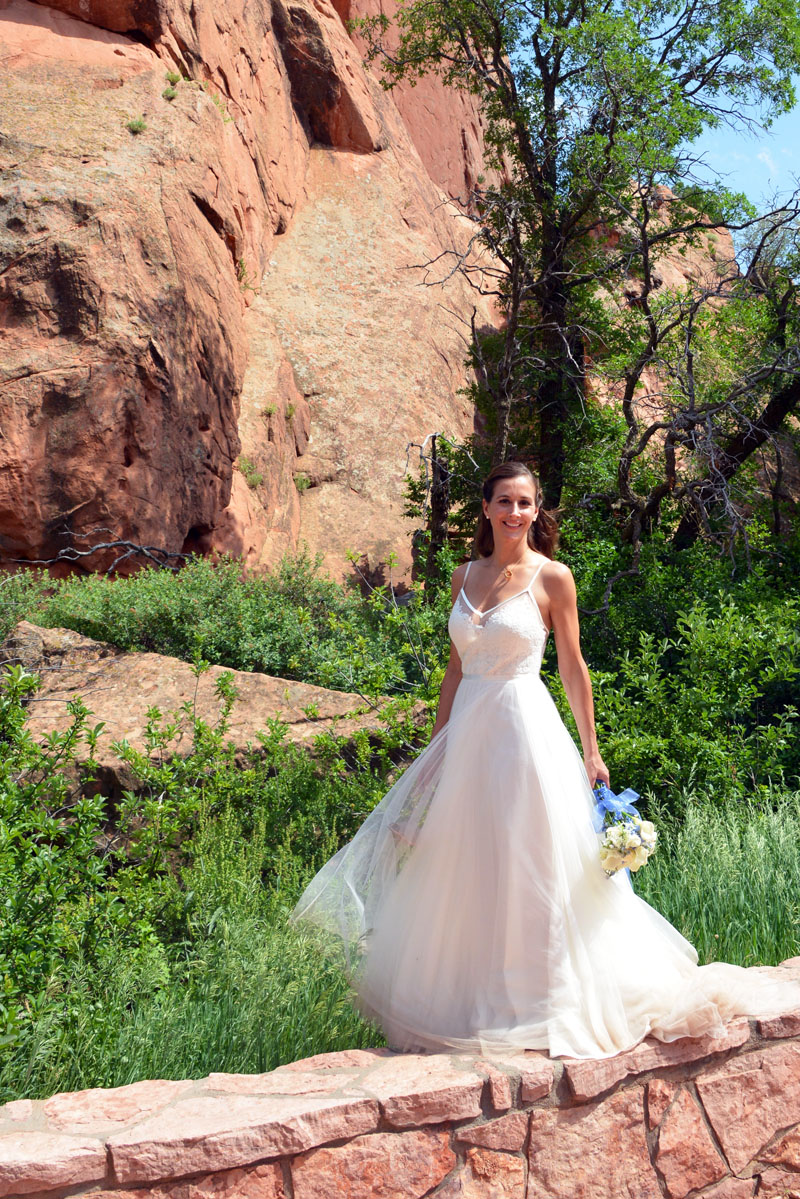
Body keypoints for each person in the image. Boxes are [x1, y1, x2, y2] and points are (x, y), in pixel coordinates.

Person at [292, 461, 800, 1059]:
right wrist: (437, 749)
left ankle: (542, 999)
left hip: (525, 734)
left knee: (534, 861)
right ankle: (477, 1001)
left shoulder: (553, 577)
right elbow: (455, 670)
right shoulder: (463, 574)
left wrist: (592, 749)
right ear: (485, 508)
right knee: (471, 865)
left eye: (525, 502)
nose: (514, 512)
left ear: (538, 510)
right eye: (504, 501)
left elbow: (572, 667)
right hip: (469, 740)